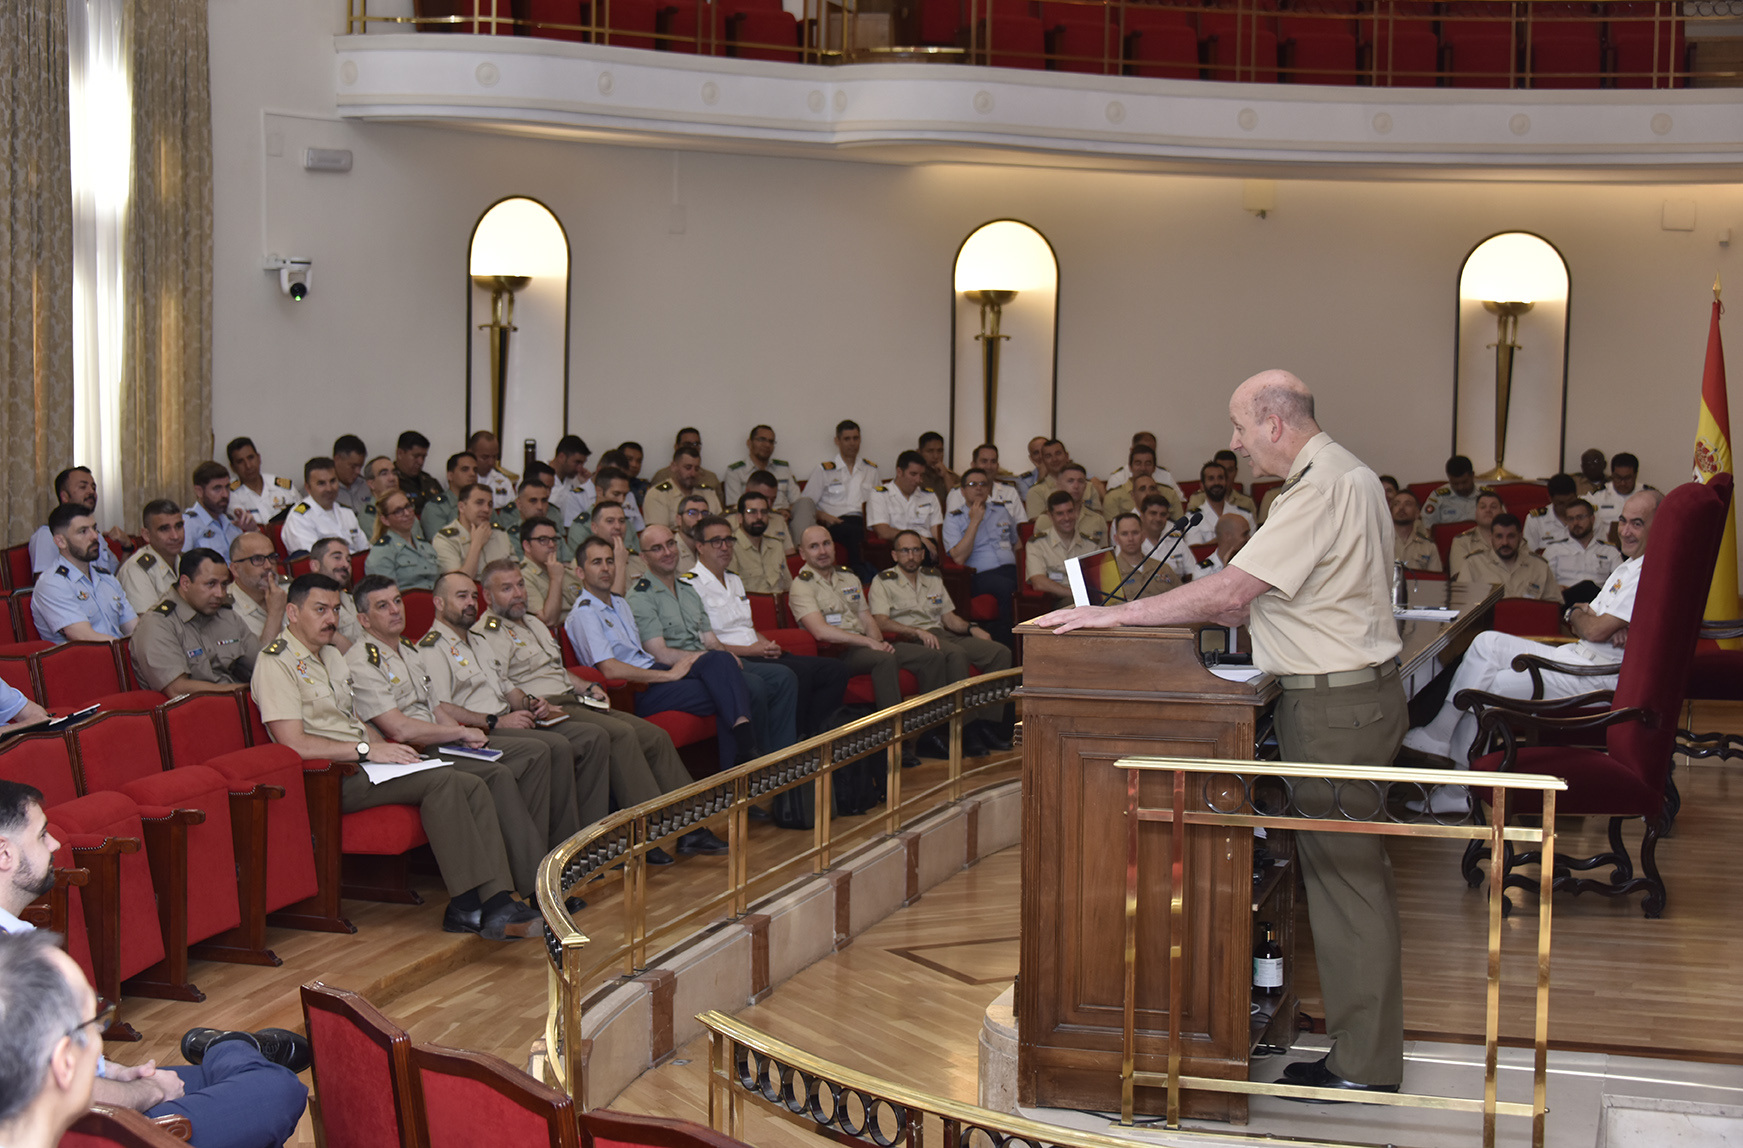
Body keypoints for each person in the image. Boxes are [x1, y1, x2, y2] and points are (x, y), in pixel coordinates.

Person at [1035, 369, 1408, 1097]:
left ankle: (1365, 1064)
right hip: (1345, 700)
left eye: (1239, 427)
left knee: (1347, 885)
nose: (1233, 442)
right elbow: (1252, 601)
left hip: (1334, 709)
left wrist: (1113, 616)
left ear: (1273, 422)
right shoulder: (1345, 474)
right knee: (1343, 881)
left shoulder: (1318, 486)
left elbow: (1234, 591)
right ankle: (1361, 1050)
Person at [253, 573, 541, 939]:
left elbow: (352, 720)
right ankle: (474, 905)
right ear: (292, 612)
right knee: (446, 781)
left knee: (467, 781)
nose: (330, 619)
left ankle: (488, 901)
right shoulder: (275, 662)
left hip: (364, 764)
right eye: (320, 610)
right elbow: (293, 743)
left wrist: (388, 748)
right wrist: (369, 749)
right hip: (329, 776)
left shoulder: (329, 655)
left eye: (334, 610)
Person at [0, 880, 311, 1148]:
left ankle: (231, 1048)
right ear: (64, 1061)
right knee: (276, 1089)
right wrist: (148, 1089)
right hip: (119, 1123)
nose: (97, 1035)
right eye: (94, 1021)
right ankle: (229, 1045)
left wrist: (116, 1073)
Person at [471, 560, 728, 858]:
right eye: (506, 588)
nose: (518, 593)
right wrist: (532, 703)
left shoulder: (533, 622)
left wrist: (587, 686)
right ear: (487, 596)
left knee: (655, 736)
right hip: (547, 709)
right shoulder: (486, 634)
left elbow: (558, 670)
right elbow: (502, 686)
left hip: (574, 699)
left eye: (520, 585)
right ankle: (647, 836)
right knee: (620, 735)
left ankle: (691, 828)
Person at [1405, 489, 1663, 768]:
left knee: (1483, 684)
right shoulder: (1630, 566)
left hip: (1595, 675)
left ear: (1659, 526)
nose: (1625, 531)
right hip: (1577, 656)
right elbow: (1589, 620)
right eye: (1623, 521)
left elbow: (1593, 628)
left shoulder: (1649, 571)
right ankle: (1440, 740)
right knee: (1486, 643)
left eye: (1636, 524)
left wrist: (1582, 615)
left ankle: (1456, 785)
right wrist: (1586, 615)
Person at [345, 578, 566, 900]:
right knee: (497, 774)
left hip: (437, 739)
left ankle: (539, 866)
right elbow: (400, 730)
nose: (395, 610)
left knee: (531, 755)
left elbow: (434, 708)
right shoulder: (362, 660)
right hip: (413, 748)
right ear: (363, 620)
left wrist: (464, 738)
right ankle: (533, 885)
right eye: (383, 606)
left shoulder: (407, 648)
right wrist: (460, 731)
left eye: (397, 601)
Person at [412, 574, 616, 853]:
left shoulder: (480, 640)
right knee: (550, 747)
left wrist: (530, 702)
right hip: (476, 733)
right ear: (438, 602)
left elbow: (508, 689)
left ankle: (575, 847)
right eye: (461, 597)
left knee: (587, 737)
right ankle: (547, 851)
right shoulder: (430, 648)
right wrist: (495, 721)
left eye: (473, 596)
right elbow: (442, 708)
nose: (470, 603)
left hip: (507, 720)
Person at [565, 536, 762, 776]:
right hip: (635, 689)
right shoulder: (584, 613)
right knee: (728, 690)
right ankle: (742, 767)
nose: (606, 568)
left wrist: (671, 670)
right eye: (596, 562)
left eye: (609, 561)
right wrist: (667, 676)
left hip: (654, 673)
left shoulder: (619, 602)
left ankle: (743, 749)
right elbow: (610, 670)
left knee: (720, 660)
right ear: (580, 572)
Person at [629, 526, 799, 759]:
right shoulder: (641, 596)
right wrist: (712, 658)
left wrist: (728, 656)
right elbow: (660, 654)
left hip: (712, 663)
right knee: (752, 686)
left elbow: (710, 640)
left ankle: (783, 757)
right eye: (657, 548)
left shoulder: (688, 590)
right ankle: (745, 766)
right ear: (643, 557)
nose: (667, 552)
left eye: (670, 544)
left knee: (783, 677)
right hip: (680, 670)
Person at [787, 526, 949, 768]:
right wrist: (870, 643)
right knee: (884, 659)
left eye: (826, 544)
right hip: (836, 654)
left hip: (866, 645)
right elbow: (820, 630)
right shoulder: (801, 585)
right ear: (802, 553)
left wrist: (879, 641)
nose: (822, 551)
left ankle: (932, 733)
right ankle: (894, 741)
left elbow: (866, 618)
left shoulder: (849, 577)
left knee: (930, 657)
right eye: (814, 546)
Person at [689, 515, 849, 740]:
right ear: (699, 547)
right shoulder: (690, 585)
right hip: (734, 658)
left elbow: (746, 626)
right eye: (716, 541)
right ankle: (794, 742)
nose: (725, 547)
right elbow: (705, 642)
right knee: (797, 673)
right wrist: (753, 650)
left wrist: (765, 643)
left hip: (757, 651)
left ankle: (817, 735)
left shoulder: (733, 579)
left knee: (834, 670)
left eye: (729, 540)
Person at [869, 530, 1012, 754]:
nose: (911, 555)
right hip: (910, 639)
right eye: (905, 551)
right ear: (895, 555)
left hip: (941, 634)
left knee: (999, 652)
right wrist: (916, 631)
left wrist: (972, 628)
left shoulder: (933, 577)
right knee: (956, 653)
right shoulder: (883, 581)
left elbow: (949, 618)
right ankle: (966, 728)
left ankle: (987, 724)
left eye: (916, 550)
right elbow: (881, 622)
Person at [131, 549, 263, 695]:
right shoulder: (157, 624)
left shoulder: (225, 615)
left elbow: (262, 665)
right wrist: (242, 691)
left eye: (224, 584)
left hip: (239, 702)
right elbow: (177, 689)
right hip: (195, 712)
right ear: (186, 583)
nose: (220, 593)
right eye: (210, 584)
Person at [32, 506, 137, 645]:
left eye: (94, 528)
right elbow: (85, 638)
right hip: (83, 663)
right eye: (83, 531)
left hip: (120, 657)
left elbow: (134, 629)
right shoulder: (52, 583)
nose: (94, 536)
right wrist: (131, 649)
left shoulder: (106, 578)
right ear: (61, 542)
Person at [942, 468, 1020, 644]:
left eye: (983, 484)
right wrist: (974, 521)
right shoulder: (954, 519)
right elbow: (959, 558)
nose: (979, 488)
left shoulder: (1001, 511)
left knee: (1027, 584)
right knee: (1008, 588)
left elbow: (1017, 543)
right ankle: (1007, 648)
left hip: (1009, 569)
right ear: (963, 491)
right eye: (972, 485)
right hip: (979, 576)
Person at [802, 420, 881, 581]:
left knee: (858, 531)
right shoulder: (824, 470)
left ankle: (863, 575)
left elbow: (880, 502)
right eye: (847, 439)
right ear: (837, 441)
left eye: (855, 438)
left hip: (863, 522)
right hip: (834, 523)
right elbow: (805, 505)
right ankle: (859, 574)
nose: (852, 443)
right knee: (852, 532)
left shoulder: (871, 470)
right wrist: (824, 516)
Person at [28, 467, 125, 577]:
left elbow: (116, 580)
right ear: (64, 496)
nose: (91, 492)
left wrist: (127, 548)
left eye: (94, 487)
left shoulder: (95, 535)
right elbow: (46, 586)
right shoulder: (48, 534)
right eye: (83, 487)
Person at [1453, 513, 1558, 601]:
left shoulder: (1539, 566)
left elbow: (1554, 608)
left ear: (1520, 537)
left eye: (1511, 536)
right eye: (1499, 536)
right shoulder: (1473, 564)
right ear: (1491, 538)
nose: (1505, 542)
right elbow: (1462, 605)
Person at [281, 458, 370, 557]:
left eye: (332, 481)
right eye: (321, 483)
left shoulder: (346, 512)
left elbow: (365, 550)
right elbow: (313, 559)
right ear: (308, 488)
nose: (329, 488)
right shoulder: (299, 517)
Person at [722, 425, 807, 528]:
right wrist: (769, 513)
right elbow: (735, 507)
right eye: (762, 440)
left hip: (784, 520)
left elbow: (797, 501)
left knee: (806, 503)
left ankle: (802, 543)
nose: (767, 445)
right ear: (749, 443)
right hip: (756, 520)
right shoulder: (735, 472)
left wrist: (787, 511)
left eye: (771, 442)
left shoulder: (783, 469)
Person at [867, 450, 945, 561]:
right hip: (897, 545)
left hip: (927, 546)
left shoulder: (929, 496)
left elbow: (937, 531)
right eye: (913, 474)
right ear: (899, 472)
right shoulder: (880, 494)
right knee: (913, 551)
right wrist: (918, 538)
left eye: (921, 475)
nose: (918, 480)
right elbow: (883, 532)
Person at [1542, 499, 1623, 603]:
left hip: (1598, 602)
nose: (1575, 523)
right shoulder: (1554, 550)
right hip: (1565, 601)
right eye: (1570, 519)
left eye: (1580, 517)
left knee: (1589, 587)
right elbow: (1543, 583)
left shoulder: (1609, 551)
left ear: (1592, 519)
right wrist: (1557, 588)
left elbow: (1621, 582)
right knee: (1586, 587)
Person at [1025, 490, 1100, 603]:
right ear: (1050, 516)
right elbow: (1038, 582)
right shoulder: (1037, 544)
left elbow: (1101, 579)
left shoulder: (1091, 545)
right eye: (1060, 513)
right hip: (1056, 603)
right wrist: (1076, 595)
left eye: (1070, 511)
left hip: (1092, 601)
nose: (1066, 518)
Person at [117, 499, 186, 614]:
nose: (175, 536)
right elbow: (148, 625)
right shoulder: (136, 569)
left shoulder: (185, 561)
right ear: (146, 535)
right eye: (164, 529)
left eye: (178, 526)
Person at [364, 488, 441, 591]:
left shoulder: (424, 546)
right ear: (385, 520)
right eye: (398, 511)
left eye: (408, 506)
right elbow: (386, 595)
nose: (407, 513)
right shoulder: (382, 552)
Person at [433, 484, 514, 579]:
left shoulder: (500, 534)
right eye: (479, 503)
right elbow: (458, 584)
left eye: (490, 505)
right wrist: (476, 544)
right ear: (461, 507)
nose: (486, 509)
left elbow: (516, 574)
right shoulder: (444, 539)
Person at [519, 515, 586, 626]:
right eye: (543, 540)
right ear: (527, 546)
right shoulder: (522, 578)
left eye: (554, 539)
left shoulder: (565, 571)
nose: (551, 545)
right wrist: (555, 579)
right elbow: (548, 621)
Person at [642, 445, 723, 530]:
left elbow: (720, 527)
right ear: (673, 467)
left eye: (696, 469)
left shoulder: (708, 493)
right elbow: (658, 535)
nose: (693, 474)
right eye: (688, 468)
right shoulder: (658, 494)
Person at [184, 461, 257, 554]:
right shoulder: (188, 524)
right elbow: (181, 564)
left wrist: (253, 530)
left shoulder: (232, 522)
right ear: (199, 491)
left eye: (227, 487)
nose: (225, 494)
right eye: (217, 488)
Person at [227, 532, 288, 640]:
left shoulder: (288, 588)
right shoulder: (227, 611)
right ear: (235, 569)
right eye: (257, 559)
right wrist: (275, 613)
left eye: (271, 557)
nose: (268, 566)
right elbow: (262, 656)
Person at [1102, 513, 1179, 599]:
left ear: (1143, 536)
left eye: (1135, 533)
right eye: (1124, 534)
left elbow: (1181, 598)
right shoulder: (1109, 575)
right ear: (1116, 539)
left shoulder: (1163, 568)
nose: (1130, 538)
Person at [224, 438, 301, 525]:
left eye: (251, 458)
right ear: (233, 467)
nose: (248, 466)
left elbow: (304, 517)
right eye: (240, 462)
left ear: (259, 458)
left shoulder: (284, 488)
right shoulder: (228, 495)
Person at [1102, 444, 1185, 522]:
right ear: (1130, 467)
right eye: (1138, 463)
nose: (1143, 468)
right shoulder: (1113, 496)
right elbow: (1113, 530)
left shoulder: (1170, 494)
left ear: (1154, 468)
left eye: (1148, 463)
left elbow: (1180, 526)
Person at [1029, 463, 1107, 544]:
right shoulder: (1045, 520)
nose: (1076, 486)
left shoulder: (1098, 520)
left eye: (1080, 481)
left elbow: (1105, 554)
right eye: (1070, 481)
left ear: (1085, 486)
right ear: (1058, 485)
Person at [1183, 460, 1255, 547]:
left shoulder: (1245, 515)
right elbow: (1195, 551)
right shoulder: (1193, 518)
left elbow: (1253, 548)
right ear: (1202, 485)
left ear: (1226, 482)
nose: (1216, 483)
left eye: (1220, 478)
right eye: (1211, 479)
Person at [943, 444, 1022, 519]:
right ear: (973, 465)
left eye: (993, 461)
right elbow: (952, 527)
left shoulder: (1010, 492)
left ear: (997, 466)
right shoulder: (957, 493)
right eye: (984, 461)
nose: (989, 466)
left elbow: (1021, 526)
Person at [419, 452, 479, 541]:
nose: (472, 474)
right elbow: (439, 545)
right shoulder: (435, 508)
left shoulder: (484, 504)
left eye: (475, 470)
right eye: (465, 469)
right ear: (450, 475)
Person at [1446, 489, 1506, 578]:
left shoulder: (1513, 539)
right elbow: (1460, 578)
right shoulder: (1462, 541)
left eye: (1493, 507)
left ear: (1502, 512)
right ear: (1476, 513)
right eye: (1483, 507)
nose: (1488, 510)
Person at [648, 428, 722, 491]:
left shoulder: (711, 478)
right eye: (687, 444)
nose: (692, 448)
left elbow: (719, 506)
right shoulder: (662, 476)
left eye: (696, 444)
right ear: (676, 447)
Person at [1522, 473, 1579, 553]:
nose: (1567, 507)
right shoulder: (1536, 520)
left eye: (1571, 502)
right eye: (1561, 503)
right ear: (1550, 499)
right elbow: (1530, 555)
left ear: (1576, 496)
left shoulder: (1587, 515)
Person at [1593, 451, 1645, 536]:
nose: (1622, 483)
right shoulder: (1598, 496)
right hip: (1606, 546)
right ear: (1612, 475)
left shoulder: (1647, 496)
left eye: (1627, 478)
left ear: (1636, 475)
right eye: (1618, 478)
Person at [548, 435, 594, 527]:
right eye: (577, 462)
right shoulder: (537, 474)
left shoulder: (576, 479)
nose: (580, 468)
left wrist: (585, 484)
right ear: (561, 457)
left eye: (583, 463)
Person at [353, 455, 401, 543]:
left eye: (394, 473)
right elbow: (385, 550)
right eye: (384, 474)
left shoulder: (406, 508)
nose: (392, 478)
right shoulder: (369, 516)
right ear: (371, 484)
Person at [394, 431, 444, 514]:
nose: (421, 462)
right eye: (416, 456)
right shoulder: (391, 481)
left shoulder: (430, 482)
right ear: (400, 453)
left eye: (423, 457)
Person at [1390, 491, 1441, 572]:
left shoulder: (1429, 546)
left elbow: (1435, 580)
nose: (1401, 508)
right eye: (1396, 504)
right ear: (1390, 512)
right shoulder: (1380, 542)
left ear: (1417, 513)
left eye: (1408, 504)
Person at [1421, 455, 1479, 526]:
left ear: (1472, 475)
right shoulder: (1438, 496)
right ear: (1449, 477)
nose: (1460, 487)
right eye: (1455, 484)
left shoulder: (1486, 495)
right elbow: (1427, 526)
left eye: (1464, 482)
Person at [471, 430, 519, 508]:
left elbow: (512, 514)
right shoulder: (463, 481)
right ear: (471, 454)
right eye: (485, 457)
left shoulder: (504, 482)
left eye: (494, 457)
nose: (491, 462)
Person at [332, 434, 371, 513]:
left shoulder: (367, 486)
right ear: (337, 459)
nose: (358, 472)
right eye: (353, 466)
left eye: (360, 467)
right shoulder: (324, 490)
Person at [1012, 436, 1048, 503]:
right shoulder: (1024, 481)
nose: (1041, 456)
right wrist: (1040, 479)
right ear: (1031, 458)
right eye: (1036, 453)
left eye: (1043, 450)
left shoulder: (1065, 474)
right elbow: (1031, 504)